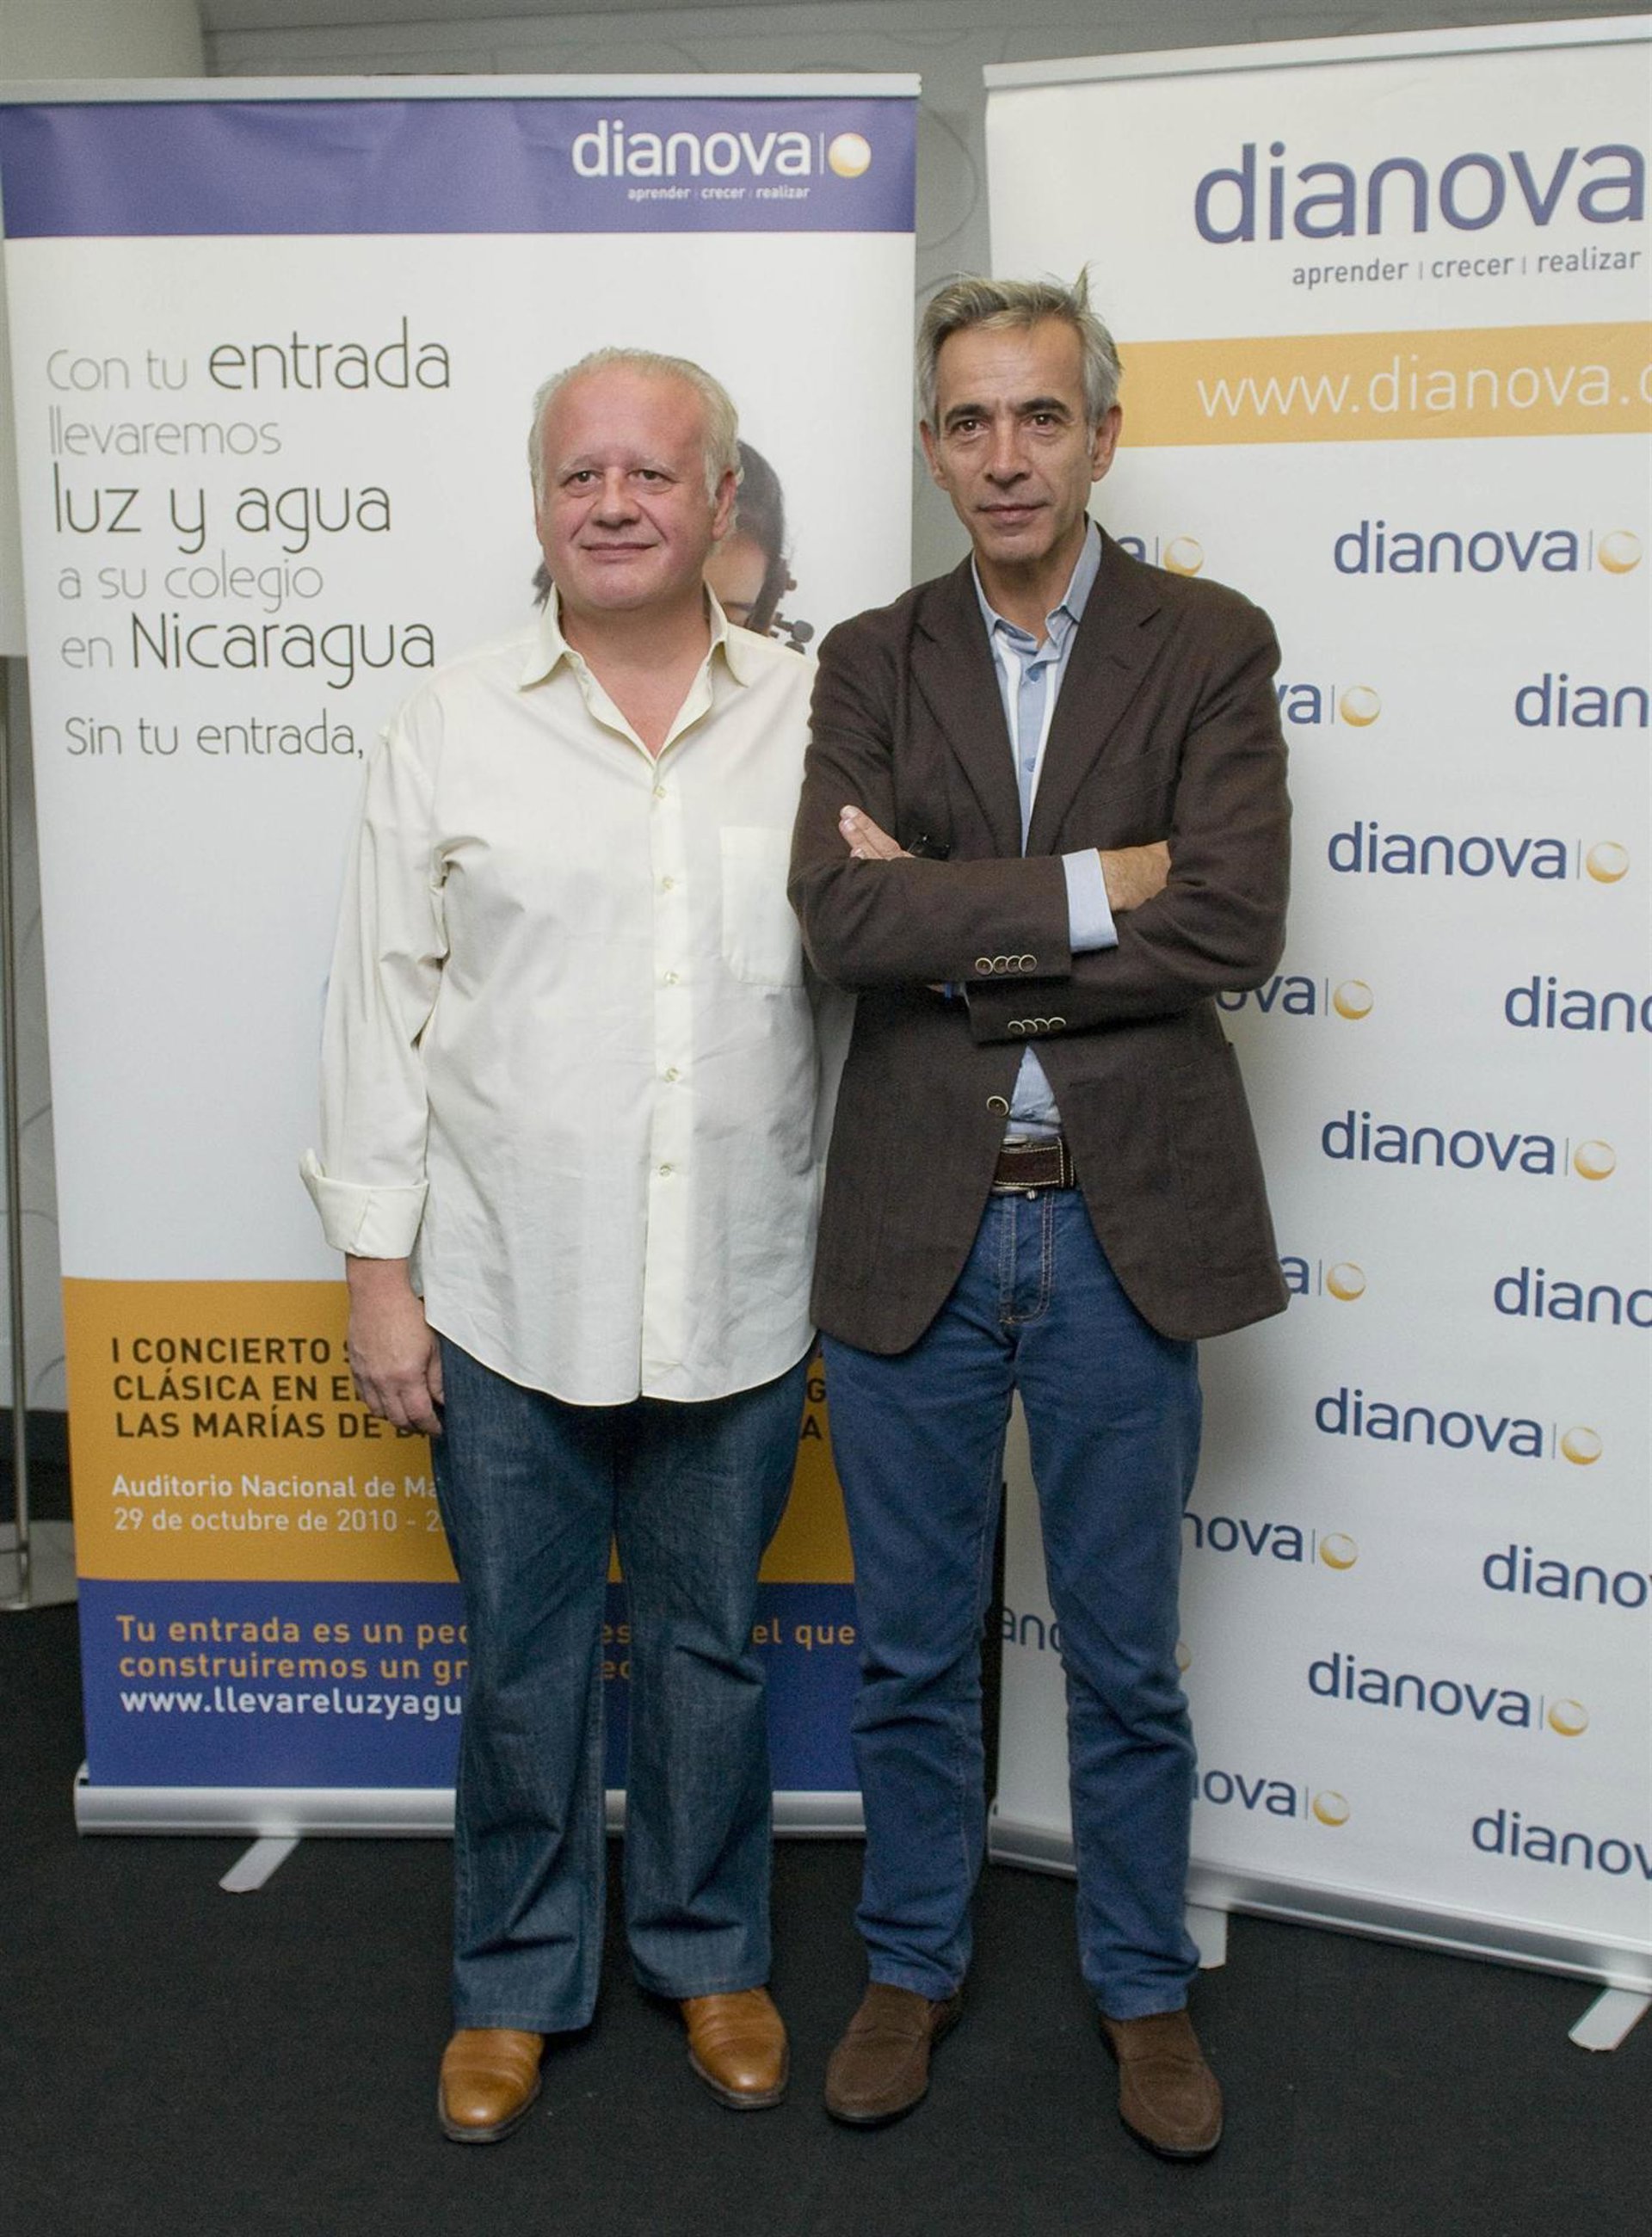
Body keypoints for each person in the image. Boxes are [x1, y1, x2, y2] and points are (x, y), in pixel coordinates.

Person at [787, 274, 1291, 2160]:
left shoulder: (1209, 643)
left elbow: (1228, 924)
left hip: (1113, 1225)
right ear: (933, 450)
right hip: (913, 1223)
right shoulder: (870, 657)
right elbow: (840, 922)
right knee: (913, 1651)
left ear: (1103, 435)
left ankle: (1143, 1988)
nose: (1007, 455)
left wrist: (961, 919)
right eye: (970, 422)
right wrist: (1098, 887)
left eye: (1042, 416)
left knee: (1126, 1658)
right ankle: (910, 1964)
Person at [303, 346, 826, 2144]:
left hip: (743, 1278)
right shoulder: (447, 723)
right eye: (579, 474)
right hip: (506, 1288)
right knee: (523, 1662)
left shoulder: (820, 716)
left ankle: (709, 1953)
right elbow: (378, 1008)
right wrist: (379, 1275)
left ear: (720, 500)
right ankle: (514, 1982)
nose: (613, 504)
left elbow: (860, 1007)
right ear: (539, 504)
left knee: (708, 1649)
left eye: (651, 474)